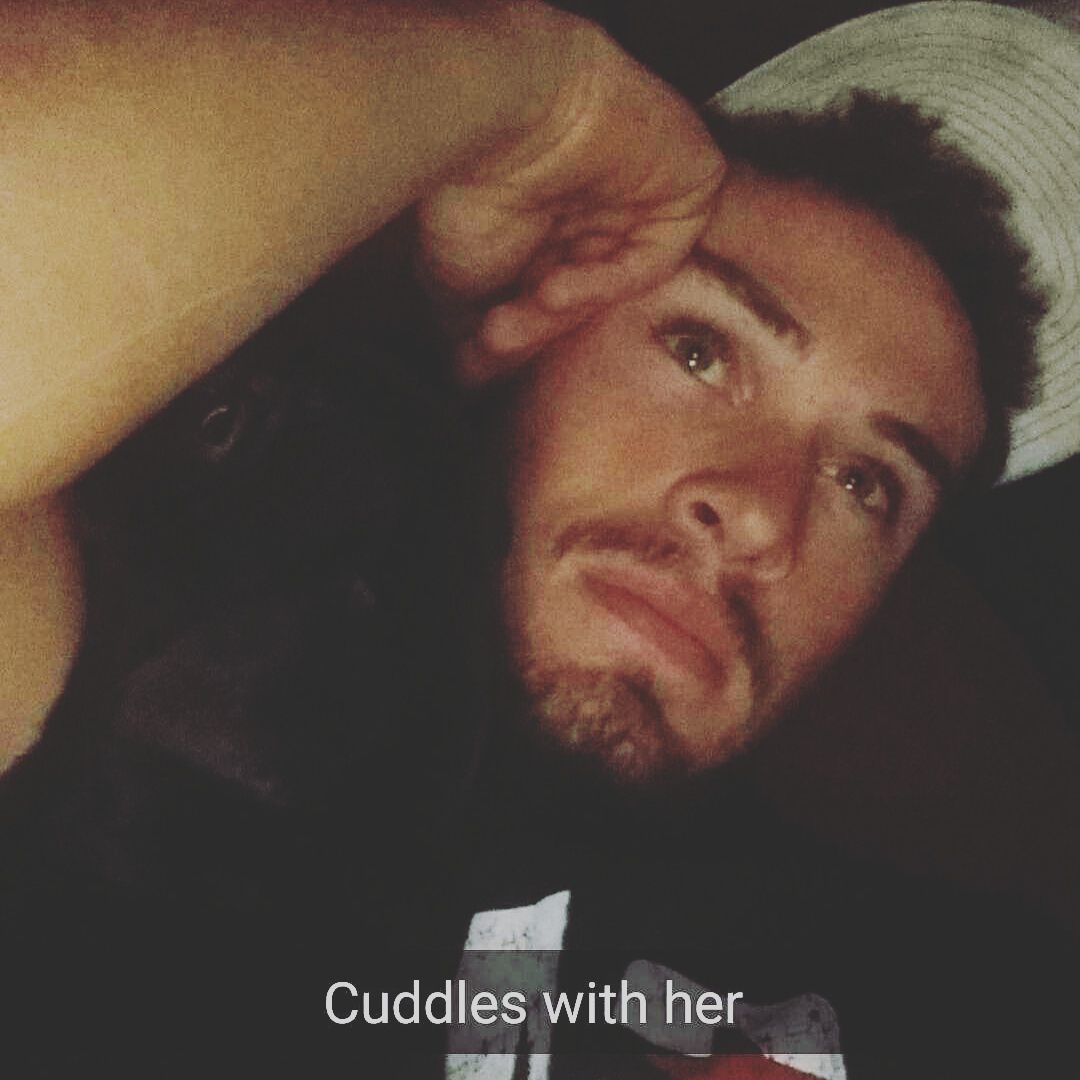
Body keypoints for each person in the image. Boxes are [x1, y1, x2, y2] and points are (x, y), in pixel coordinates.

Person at [0, 1, 1076, 1076]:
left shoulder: (954, 982)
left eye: (865, 482)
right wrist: (544, 94)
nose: (761, 514)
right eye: (699, 350)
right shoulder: (191, 657)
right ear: (530, 326)